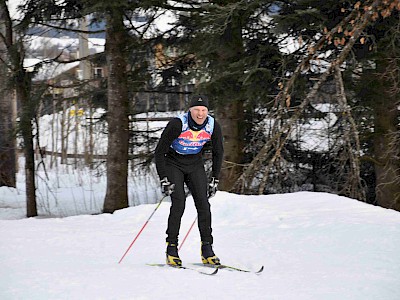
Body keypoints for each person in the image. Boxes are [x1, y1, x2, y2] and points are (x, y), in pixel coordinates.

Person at [155, 94, 224, 266]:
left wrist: (215, 178)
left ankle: (207, 249)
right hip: (173, 163)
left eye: (203, 110)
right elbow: (159, 152)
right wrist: (163, 178)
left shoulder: (212, 125)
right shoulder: (178, 124)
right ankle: (172, 248)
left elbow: (218, 152)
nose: (200, 114)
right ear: (190, 111)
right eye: (196, 110)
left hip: (194, 164)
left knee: (203, 204)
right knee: (179, 204)